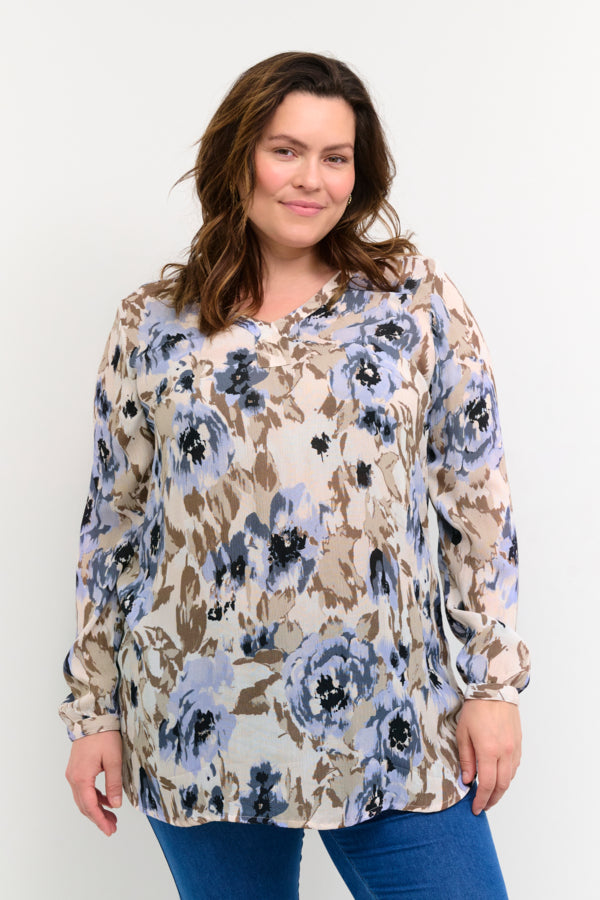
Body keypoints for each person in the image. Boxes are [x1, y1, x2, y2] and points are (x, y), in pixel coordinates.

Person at [58, 51, 531, 899]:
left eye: (335, 157)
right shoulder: (152, 324)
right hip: (197, 717)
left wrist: (493, 686)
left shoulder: (413, 301)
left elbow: (477, 499)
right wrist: (93, 712)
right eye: (286, 151)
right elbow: (115, 525)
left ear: (359, 172)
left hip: (391, 714)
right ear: (237, 157)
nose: (311, 178)